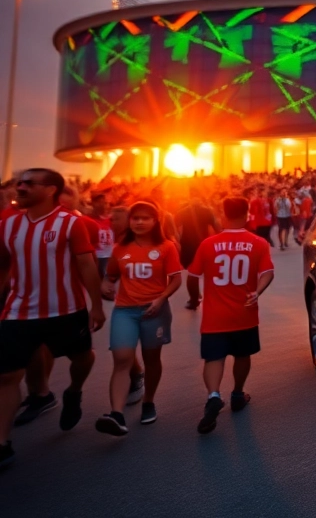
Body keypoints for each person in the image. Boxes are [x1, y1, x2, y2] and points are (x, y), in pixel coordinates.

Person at [0, 169, 106, 467]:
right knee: (7, 376)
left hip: (66, 310)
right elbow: (3, 265)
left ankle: (74, 391)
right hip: (19, 312)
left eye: (28, 183)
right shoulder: (7, 225)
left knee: (82, 358)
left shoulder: (71, 223)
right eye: (19, 183)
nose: (20, 187)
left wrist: (96, 306)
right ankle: (3, 444)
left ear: (50, 190)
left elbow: (86, 265)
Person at [187, 197, 275, 434]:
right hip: (244, 313)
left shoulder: (208, 244)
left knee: (213, 358)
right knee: (242, 355)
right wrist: (257, 292)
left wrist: (194, 298)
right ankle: (237, 393)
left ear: (222, 214)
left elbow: (192, 276)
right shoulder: (258, 243)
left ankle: (214, 395)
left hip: (214, 316)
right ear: (247, 215)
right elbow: (268, 272)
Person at [97, 202, 182, 434]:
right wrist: (106, 284)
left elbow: (176, 279)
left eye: (146, 218)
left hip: (154, 311)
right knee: (122, 359)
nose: (140, 222)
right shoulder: (120, 248)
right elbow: (111, 275)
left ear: (155, 221)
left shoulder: (166, 247)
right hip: (125, 311)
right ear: (130, 221)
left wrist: (161, 299)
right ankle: (116, 414)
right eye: (135, 218)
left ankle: (148, 402)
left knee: (151, 358)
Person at [175, 191, 218, 311]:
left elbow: (176, 229)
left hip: (189, 245)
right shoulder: (207, 211)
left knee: (192, 273)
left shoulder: (183, 212)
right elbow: (216, 227)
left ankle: (194, 300)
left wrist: (178, 243)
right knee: (207, 272)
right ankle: (204, 298)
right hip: (203, 243)